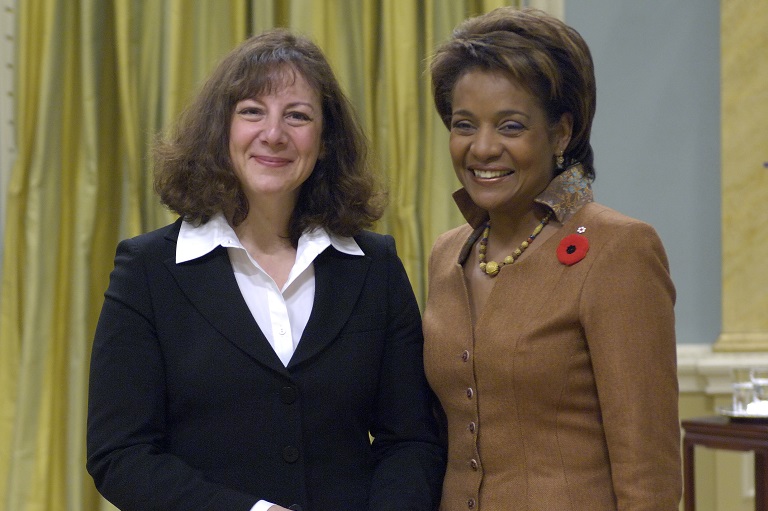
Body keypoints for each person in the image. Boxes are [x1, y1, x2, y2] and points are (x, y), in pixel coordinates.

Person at [87, 28, 445, 511]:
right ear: (222, 129)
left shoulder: (374, 267)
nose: (273, 134)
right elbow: (121, 454)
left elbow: (411, 441)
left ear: (325, 141)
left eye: (297, 116)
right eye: (252, 111)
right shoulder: (147, 270)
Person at [422, 7, 681, 511]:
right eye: (464, 125)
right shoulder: (446, 254)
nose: (483, 148)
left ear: (561, 133)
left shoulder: (619, 249)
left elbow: (648, 472)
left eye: (511, 126)